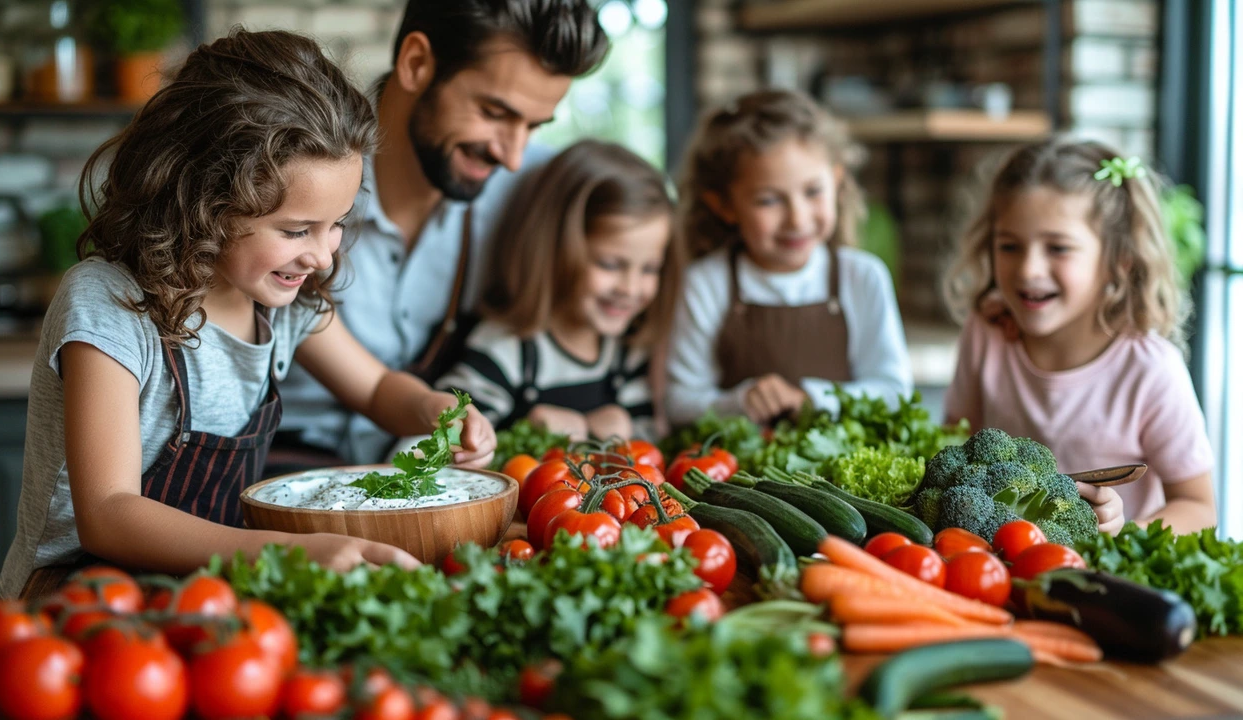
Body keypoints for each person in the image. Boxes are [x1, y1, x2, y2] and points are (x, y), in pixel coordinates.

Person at [0, 29, 496, 601]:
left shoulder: (282, 305)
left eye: (336, 223)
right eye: (295, 230)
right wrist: (287, 550)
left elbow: (378, 387)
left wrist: (434, 411)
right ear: (202, 200)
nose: (323, 253)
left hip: (203, 593)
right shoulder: (108, 303)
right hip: (79, 601)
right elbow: (109, 513)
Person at [274, 0, 610, 467]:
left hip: (433, 469)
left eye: (532, 126)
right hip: (280, 460)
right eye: (494, 112)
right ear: (416, 63)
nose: (512, 156)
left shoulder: (536, 190)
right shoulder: (293, 171)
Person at [943, 138, 1215, 534]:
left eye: (1058, 248)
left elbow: (1198, 506)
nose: (1028, 269)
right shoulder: (987, 333)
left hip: (1106, 577)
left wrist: (1125, 532)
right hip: (999, 566)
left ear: (1117, 261)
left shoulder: (1149, 369)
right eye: (1009, 246)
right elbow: (954, 447)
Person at [666, 89, 912, 426]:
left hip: (838, 475)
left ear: (836, 181)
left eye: (813, 191)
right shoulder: (708, 283)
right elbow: (679, 403)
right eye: (769, 200)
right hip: (738, 475)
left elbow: (895, 391)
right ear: (723, 205)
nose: (797, 219)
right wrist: (739, 403)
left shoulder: (863, 277)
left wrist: (813, 399)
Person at [432, 140, 685, 442]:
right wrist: (525, 428)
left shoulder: (626, 355)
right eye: (609, 264)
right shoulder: (506, 351)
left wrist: (625, 430)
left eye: (649, 269)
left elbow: (650, 452)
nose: (630, 288)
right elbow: (437, 442)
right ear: (554, 251)